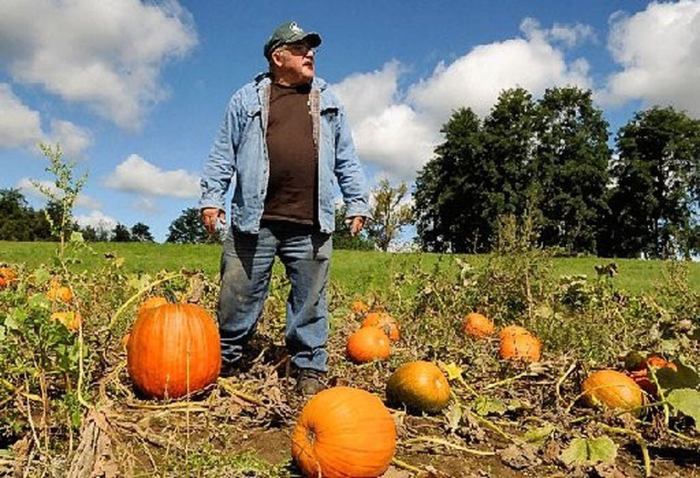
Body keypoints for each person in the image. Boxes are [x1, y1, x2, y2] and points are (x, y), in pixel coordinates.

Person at [199, 21, 370, 396]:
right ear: (278, 57)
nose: (310, 54)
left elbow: (347, 159)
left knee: (310, 300)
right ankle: (226, 358)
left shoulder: (329, 99)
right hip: (253, 219)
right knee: (238, 293)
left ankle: (309, 366)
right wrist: (212, 197)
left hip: (311, 221)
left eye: (312, 48)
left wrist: (357, 201)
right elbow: (222, 152)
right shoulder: (246, 99)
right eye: (301, 48)